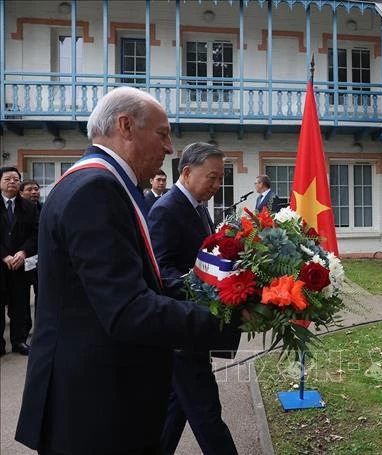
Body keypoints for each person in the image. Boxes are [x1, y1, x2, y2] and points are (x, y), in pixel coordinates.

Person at [15, 87, 241, 455]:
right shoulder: (96, 189)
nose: (169, 148)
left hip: (94, 397)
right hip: (93, 409)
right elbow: (127, 308)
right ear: (126, 126)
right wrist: (227, 318)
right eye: (163, 134)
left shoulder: (97, 183)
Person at [148, 142, 241, 455]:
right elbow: (161, 272)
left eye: (220, 179)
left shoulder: (198, 207)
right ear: (186, 172)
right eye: (212, 178)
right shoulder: (165, 209)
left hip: (192, 329)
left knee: (178, 405)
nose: (217, 185)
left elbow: (206, 257)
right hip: (180, 327)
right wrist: (209, 291)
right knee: (206, 413)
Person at [1, 166, 38, 356]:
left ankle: (19, 341)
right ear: (0, 183)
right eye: (8, 179)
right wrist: (4, 255)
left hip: (20, 263)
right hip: (2, 262)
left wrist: (23, 252)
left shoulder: (29, 207)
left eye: (16, 179)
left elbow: (35, 234)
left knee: (20, 305)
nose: (12, 182)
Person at [19, 179, 42, 333]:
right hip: (23, 258)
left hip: (42, 259)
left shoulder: (45, 208)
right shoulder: (17, 211)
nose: (34, 192)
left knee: (41, 295)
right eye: (29, 189)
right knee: (22, 297)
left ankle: (40, 327)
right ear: (21, 193)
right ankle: (24, 328)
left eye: (36, 189)